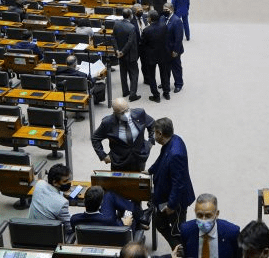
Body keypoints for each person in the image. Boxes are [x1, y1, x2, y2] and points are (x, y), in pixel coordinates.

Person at [148, 117, 195, 249]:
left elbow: (178, 183)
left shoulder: (176, 154)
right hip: (165, 196)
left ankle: (180, 251)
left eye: (154, 132)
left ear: (160, 134)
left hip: (176, 202)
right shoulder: (172, 140)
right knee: (159, 223)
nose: (154, 135)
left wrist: (171, 205)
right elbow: (161, 159)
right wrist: (150, 170)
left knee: (177, 232)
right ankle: (177, 248)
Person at [92, 98, 155, 172]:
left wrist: (150, 143)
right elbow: (95, 138)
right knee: (119, 179)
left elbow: (153, 125)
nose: (126, 114)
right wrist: (103, 156)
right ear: (115, 113)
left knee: (139, 177)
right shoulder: (108, 123)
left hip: (139, 157)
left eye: (127, 110)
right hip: (119, 161)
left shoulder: (140, 113)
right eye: (122, 113)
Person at [177, 193, 240, 258]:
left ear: (217, 214)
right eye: (199, 215)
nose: (203, 220)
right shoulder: (186, 230)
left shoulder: (232, 233)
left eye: (208, 216)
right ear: (195, 212)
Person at [28, 163, 72, 237]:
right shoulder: (62, 203)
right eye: (65, 181)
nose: (69, 183)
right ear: (55, 182)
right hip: (48, 237)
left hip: (31, 232)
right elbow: (69, 227)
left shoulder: (39, 184)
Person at [70, 185, 135, 231]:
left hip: (85, 244)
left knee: (109, 195)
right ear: (101, 204)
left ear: (84, 202)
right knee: (132, 218)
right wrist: (125, 224)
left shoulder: (74, 219)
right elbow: (122, 230)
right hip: (110, 244)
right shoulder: (110, 221)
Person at [141, 9, 170, 102]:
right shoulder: (164, 26)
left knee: (151, 76)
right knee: (164, 74)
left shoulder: (146, 30)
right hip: (163, 54)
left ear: (150, 18)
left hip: (151, 56)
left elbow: (142, 44)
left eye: (147, 17)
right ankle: (166, 92)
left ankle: (156, 96)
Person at [113, 8, 141, 101]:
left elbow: (113, 38)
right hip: (130, 55)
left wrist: (117, 50)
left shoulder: (116, 24)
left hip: (120, 55)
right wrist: (123, 52)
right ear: (130, 16)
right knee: (134, 74)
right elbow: (130, 42)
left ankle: (125, 91)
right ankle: (132, 95)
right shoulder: (132, 27)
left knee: (123, 73)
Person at [162, 3, 185, 94]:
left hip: (174, 50)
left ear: (171, 10)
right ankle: (165, 83)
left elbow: (179, 38)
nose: (164, 11)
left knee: (176, 67)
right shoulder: (162, 18)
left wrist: (176, 50)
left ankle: (178, 84)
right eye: (163, 9)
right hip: (165, 49)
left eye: (166, 9)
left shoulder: (177, 21)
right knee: (165, 68)